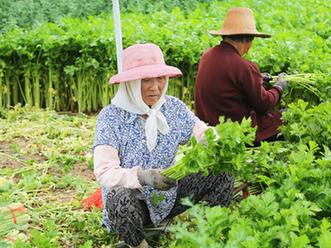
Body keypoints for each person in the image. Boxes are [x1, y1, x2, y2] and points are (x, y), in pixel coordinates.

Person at [93, 43, 234, 248]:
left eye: (160, 78)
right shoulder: (111, 117)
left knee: (222, 171)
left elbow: (202, 133)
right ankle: (140, 244)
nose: (155, 87)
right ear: (130, 83)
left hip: (169, 196)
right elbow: (105, 172)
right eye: (146, 80)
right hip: (134, 206)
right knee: (117, 197)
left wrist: (222, 141)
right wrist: (143, 176)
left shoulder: (173, 108)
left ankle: (209, 233)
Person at [195, 7, 288, 145]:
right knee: (285, 118)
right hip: (236, 133)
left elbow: (229, 82)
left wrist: (258, 78)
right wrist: (279, 87)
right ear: (248, 41)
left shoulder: (207, 55)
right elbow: (263, 103)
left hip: (208, 127)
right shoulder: (244, 66)